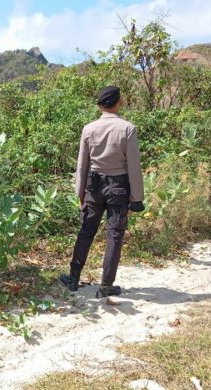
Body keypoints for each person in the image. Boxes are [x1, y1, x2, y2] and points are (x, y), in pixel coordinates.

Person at [60, 85, 145, 297]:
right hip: (118, 187)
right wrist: (137, 198)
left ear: (100, 105)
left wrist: (80, 191)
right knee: (114, 236)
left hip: (93, 186)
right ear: (119, 102)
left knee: (86, 231)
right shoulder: (128, 128)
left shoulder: (89, 129)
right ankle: (106, 285)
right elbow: (134, 166)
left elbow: (82, 164)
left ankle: (73, 278)